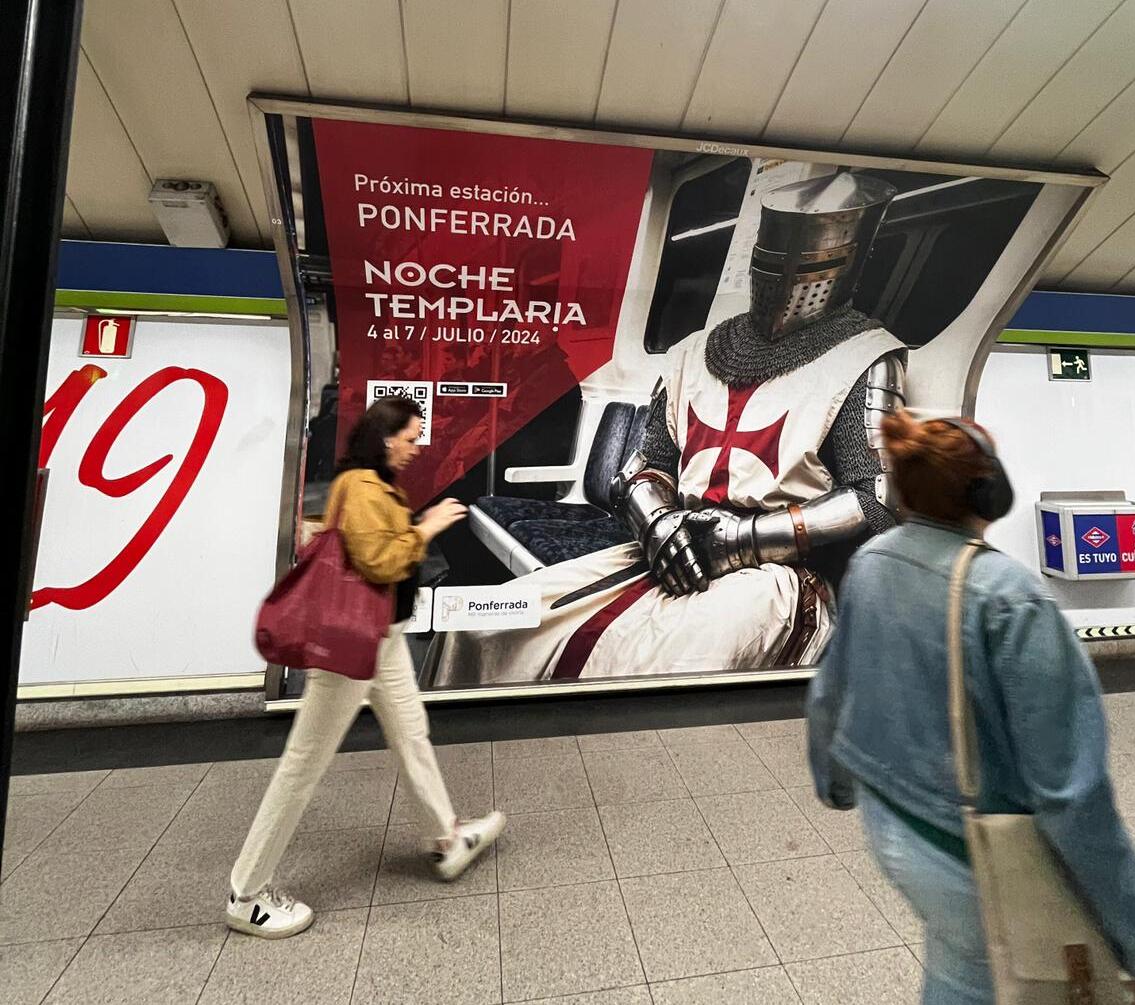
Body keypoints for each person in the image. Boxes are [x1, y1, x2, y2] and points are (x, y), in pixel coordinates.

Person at [436, 171, 908, 686]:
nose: (783, 279)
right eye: (769, 261)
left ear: (848, 264)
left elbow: (875, 498)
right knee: (486, 624)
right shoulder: (692, 354)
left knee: (644, 668)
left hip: (777, 576)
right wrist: (658, 524)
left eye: (813, 263)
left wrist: (738, 539)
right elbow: (644, 466)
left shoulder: (865, 359)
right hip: (666, 544)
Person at [807, 409, 1135, 1004]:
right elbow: (1070, 792)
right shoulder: (1010, 599)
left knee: (960, 971)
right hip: (967, 854)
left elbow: (830, 693)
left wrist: (836, 783)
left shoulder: (872, 561)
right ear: (989, 492)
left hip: (889, 822)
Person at [225, 395, 505, 939]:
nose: (416, 446)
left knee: (412, 736)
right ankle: (247, 892)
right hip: (357, 646)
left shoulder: (373, 484)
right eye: (411, 436)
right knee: (304, 763)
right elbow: (379, 560)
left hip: (385, 638)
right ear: (385, 438)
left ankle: (447, 840)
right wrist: (426, 528)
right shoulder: (360, 486)